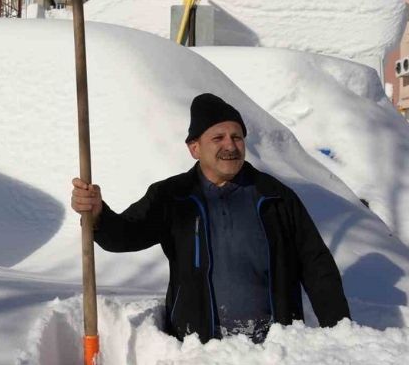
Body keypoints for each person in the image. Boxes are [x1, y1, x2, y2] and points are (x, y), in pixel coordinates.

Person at [71, 93, 350, 343]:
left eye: (237, 137)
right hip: (200, 349)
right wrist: (98, 216)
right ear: (194, 148)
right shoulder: (173, 196)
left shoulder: (275, 197)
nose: (230, 145)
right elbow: (124, 235)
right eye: (218, 138)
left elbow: (317, 265)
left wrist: (340, 332)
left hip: (274, 349)